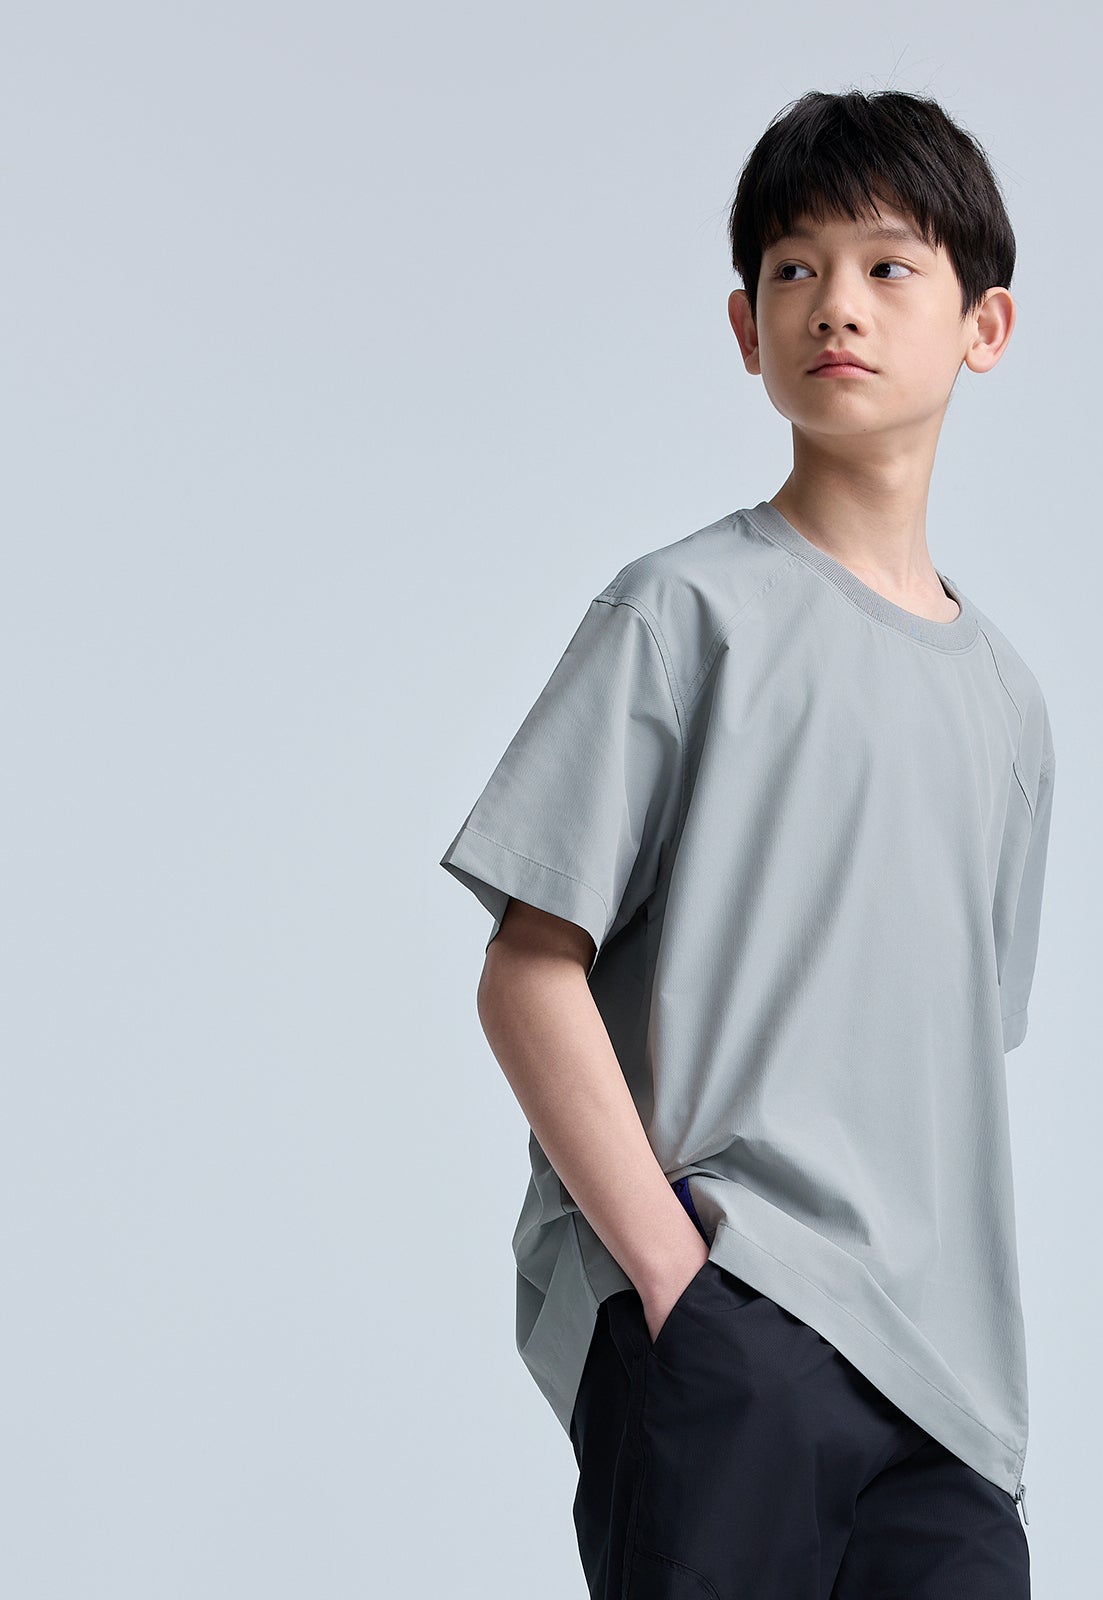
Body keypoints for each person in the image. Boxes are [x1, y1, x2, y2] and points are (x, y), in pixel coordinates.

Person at [439, 87, 1055, 1599]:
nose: (836, 302)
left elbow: (962, 1036)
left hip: (950, 1394)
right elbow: (528, 970)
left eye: (888, 265)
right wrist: (676, 1278)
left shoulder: (1009, 703)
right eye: (793, 269)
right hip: (734, 1325)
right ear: (745, 327)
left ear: (985, 326)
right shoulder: (683, 613)